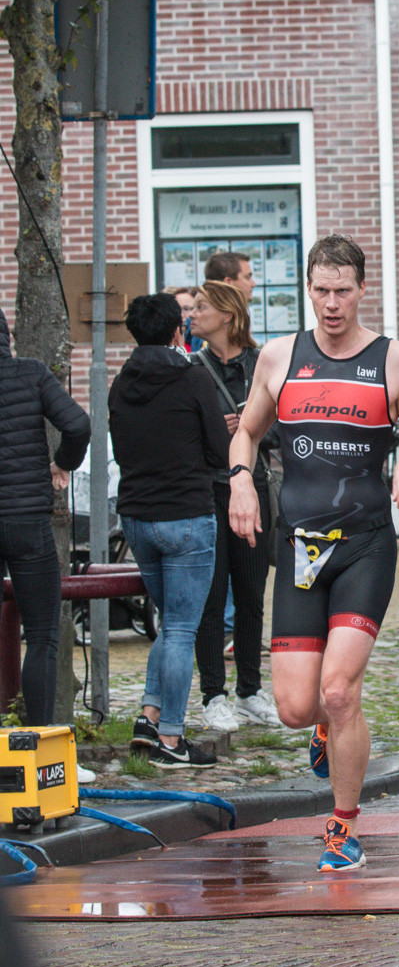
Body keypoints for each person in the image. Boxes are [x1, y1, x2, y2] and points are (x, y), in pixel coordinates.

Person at [228, 233, 399, 872]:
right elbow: (246, 432)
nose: (330, 304)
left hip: (364, 546)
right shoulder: (279, 357)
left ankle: (343, 827)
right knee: (297, 708)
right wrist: (240, 480)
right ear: (308, 289)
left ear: (361, 290)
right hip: (299, 547)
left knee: (341, 688)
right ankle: (324, 726)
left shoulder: (392, 359)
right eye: (320, 291)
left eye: (342, 291)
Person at [109, 293, 230, 768]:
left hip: (137, 517)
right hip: (185, 515)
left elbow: (122, 447)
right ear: (178, 331)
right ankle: (172, 739)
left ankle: (149, 715)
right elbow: (219, 452)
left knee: (170, 619)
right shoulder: (192, 378)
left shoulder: (121, 382)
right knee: (180, 627)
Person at [0, 306, 92, 780]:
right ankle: (36, 751)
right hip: (26, 519)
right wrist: (63, 463)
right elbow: (77, 425)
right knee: (41, 635)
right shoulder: (31, 374)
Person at [189, 281, 278, 731]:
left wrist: (252, 426)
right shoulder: (192, 368)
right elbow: (181, 433)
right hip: (207, 491)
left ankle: (249, 690)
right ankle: (213, 695)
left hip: (253, 489)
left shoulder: (262, 363)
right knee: (210, 597)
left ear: (227, 314)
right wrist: (214, 431)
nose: (191, 314)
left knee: (250, 594)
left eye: (201, 306)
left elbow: (285, 426)